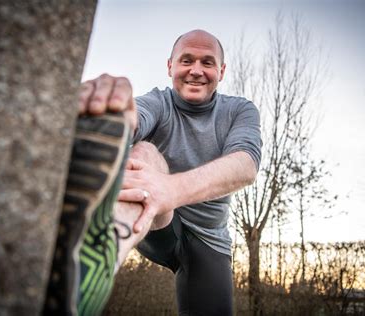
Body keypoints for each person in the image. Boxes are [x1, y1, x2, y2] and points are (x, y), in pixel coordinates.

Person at [75, 29, 262, 315]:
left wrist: (171, 190)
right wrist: (112, 113)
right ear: (170, 66)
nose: (196, 71)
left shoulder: (240, 111)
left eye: (207, 62)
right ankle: (90, 266)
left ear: (221, 71)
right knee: (145, 153)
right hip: (155, 222)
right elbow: (136, 118)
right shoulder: (159, 103)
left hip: (208, 241)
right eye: (186, 61)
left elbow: (246, 165)